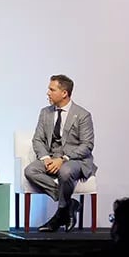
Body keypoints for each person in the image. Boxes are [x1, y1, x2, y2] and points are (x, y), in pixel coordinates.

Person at [24, 74, 96, 232]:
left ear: (64, 93)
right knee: (30, 170)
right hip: (52, 157)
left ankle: (60, 212)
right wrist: (46, 158)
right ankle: (69, 204)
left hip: (75, 159)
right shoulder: (45, 113)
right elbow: (38, 140)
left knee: (65, 171)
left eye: (52, 89)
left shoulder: (82, 115)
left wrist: (63, 159)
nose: (47, 93)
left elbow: (87, 145)